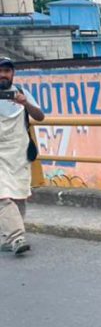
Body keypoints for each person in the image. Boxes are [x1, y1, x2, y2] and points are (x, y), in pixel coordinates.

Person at [0, 57, 44, 256]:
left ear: (13, 74)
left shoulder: (22, 93)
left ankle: (10, 238)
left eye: (7, 71)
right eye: (0, 71)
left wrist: (25, 103)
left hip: (18, 154)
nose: (3, 75)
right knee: (2, 197)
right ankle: (17, 237)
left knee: (18, 196)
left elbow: (40, 116)